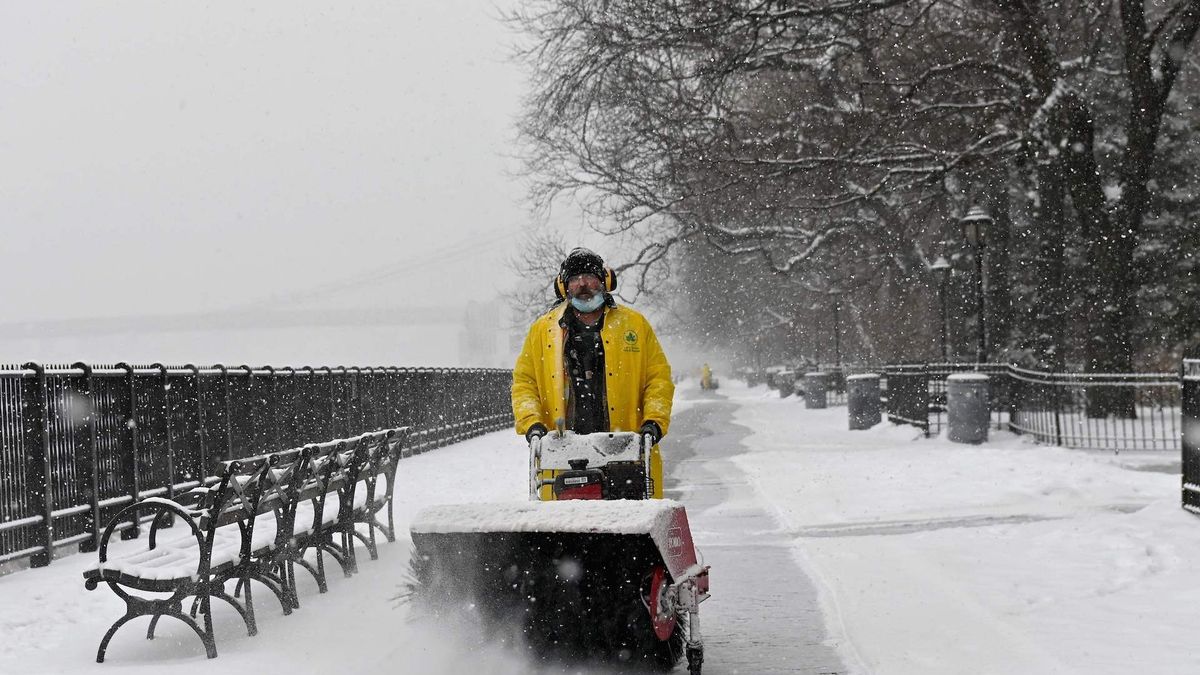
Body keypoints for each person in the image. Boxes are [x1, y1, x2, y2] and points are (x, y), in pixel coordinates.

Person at [512, 247, 674, 499]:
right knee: (565, 531)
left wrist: (654, 422)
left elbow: (658, 379)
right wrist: (531, 423)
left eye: (590, 276)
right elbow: (525, 383)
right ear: (564, 287)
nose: (583, 284)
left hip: (625, 451)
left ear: (605, 281)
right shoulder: (543, 331)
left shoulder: (634, 325)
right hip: (563, 452)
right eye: (575, 279)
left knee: (627, 529)